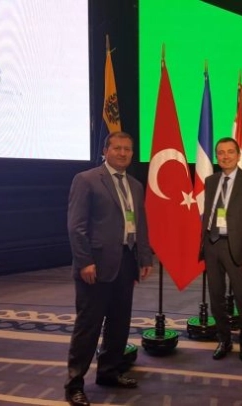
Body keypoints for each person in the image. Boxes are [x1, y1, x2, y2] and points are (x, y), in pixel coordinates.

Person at [64, 132, 153, 406]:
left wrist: (144, 258)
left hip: (126, 263)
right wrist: (84, 261)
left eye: (128, 149)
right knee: (88, 326)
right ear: (106, 151)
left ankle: (109, 372)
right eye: (117, 148)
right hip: (95, 266)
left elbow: (140, 224)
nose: (123, 153)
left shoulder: (135, 185)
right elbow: (76, 226)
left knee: (119, 323)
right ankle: (74, 384)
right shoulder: (86, 180)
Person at [200, 137, 242, 362]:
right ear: (216, 156)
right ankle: (224, 339)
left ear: (238, 155)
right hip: (212, 245)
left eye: (230, 152)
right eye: (221, 152)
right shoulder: (210, 181)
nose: (225, 156)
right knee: (216, 297)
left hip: (237, 248)